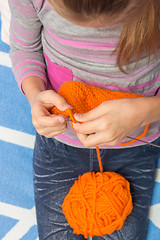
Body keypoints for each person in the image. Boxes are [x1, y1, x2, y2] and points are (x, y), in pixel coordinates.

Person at [8, 0, 160, 239]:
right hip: (60, 144)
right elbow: (24, 48)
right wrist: (35, 94)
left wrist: (146, 111)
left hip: (136, 144)